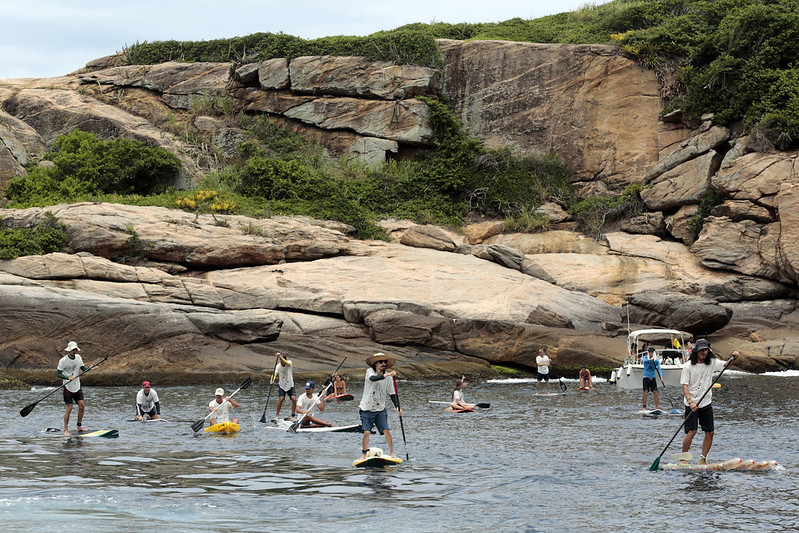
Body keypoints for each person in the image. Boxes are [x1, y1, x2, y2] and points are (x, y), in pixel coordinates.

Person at [680, 339, 738, 465]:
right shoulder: (688, 366)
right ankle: (683, 459)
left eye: (705, 350)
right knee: (692, 431)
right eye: (701, 350)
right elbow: (684, 386)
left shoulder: (712, 363)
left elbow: (726, 365)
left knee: (710, 432)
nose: (703, 352)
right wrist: (691, 403)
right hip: (692, 403)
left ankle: (703, 459)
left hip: (706, 402)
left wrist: (733, 358)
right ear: (696, 351)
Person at [358, 352, 402, 461]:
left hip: (380, 409)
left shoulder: (389, 378)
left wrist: (397, 407)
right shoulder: (369, 372)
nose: (383, 364)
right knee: (367, 432)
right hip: (366, 409)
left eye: (385, 362)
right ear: (375, 364)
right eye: (381, 362)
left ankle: (392, 452)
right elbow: (373, 379)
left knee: (387, 431)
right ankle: (363, 454)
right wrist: (387, 375)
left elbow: (392, 393)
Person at [57, 341, 91, 436]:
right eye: (72, 350)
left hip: (77, 386)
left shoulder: (78, 358)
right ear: (69, 350)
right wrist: (68, 378)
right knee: (69, 408)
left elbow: (83, 368)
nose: (74, 351)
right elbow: (58, 374)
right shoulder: (63, 360)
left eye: (75, 349)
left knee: (82, 406)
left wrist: (90, 368)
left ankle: (79, 426)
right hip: (67, 386)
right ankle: (65, 430)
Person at [271, 352, 296, 420]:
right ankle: (277, 416)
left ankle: (293, 416)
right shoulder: (278, 366)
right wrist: (272, 380)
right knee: (281, 399)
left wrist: (280, 357)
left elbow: (286, 363)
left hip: (290, 384)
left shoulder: (289, 363)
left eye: (283, 361)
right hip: (282, 385)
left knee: (293, 399)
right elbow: (275, 374)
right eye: (281, 361)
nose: (282, 363)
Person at [642, 346, 661, 411]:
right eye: (649, 352)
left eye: (651, 352)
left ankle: (657, 407)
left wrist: (661, 376)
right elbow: (645, 361)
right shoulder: (645, 358)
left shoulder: (656, 360)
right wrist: (650, 360)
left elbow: (659, 368)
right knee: (646, 392)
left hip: (653, 378)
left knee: (655, 392)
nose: (650, 353)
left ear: (653, 353)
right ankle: (644, 407)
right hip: (646, 378)